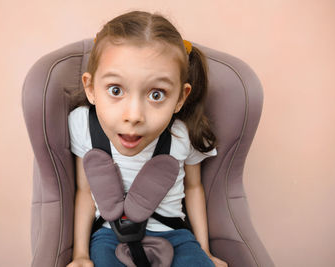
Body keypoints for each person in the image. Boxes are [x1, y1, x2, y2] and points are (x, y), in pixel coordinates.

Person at [66, 10, 228, 267]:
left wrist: (204, 250)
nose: (134, 116)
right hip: (109, 235)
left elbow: (193, 188)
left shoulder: (182, 135)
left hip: (175, 235)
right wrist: (81, 255)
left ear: (180, 98)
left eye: (156, 95)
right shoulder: (82, 125)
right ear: (91, 89)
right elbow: (85, 190)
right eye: (116, 90)